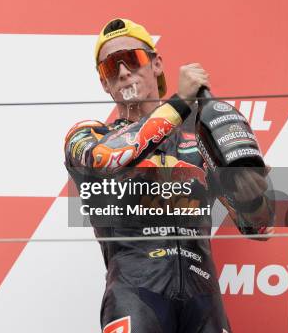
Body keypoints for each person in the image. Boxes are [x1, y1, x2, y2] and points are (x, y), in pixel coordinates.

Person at [64, 18, 274, 333]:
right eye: (110, 68)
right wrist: (180, 102)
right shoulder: (88, 135)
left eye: (132, 59)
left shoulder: (201, 134)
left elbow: (258, 226)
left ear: (157, 63)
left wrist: (251, 195)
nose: (123, 72)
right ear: (105, 84)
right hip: (135, 292)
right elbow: (107, 158)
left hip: (203, 296)